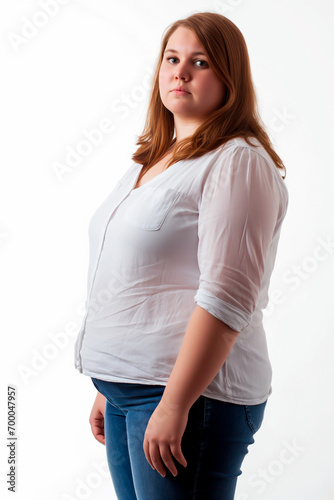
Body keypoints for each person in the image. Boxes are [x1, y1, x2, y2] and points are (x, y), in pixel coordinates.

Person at [74, 11, 288, 500]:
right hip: (131, 394)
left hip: (189, 397)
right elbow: (139, 282)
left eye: (200, 61)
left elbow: (227, 298)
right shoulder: (154, 159)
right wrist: (111, 387)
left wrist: (174, 403)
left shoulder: (237, 161)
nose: (180, 72)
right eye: (172, 58)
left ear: (229, 77)